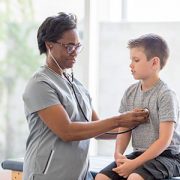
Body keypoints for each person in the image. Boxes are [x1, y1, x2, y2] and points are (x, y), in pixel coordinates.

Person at [22, 12, 148, 180]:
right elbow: (66, 131)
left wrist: (138, 125)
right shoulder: (40, 84)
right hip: (48, 175)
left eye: (77, 46)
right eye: (69, 47)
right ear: (49, 45)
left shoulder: (77, 86)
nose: (75, 52)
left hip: (79, 175)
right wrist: (120, 119)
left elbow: (97, 129)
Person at [95, 34, 180, 180]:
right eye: (131, 60)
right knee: (101, 177)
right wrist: (119, 155)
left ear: (154, 63)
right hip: (140, 154)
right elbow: (124, 128)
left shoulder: (166, 94)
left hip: (168, 156)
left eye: (136, 60)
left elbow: (164, 141)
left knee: (135, 177)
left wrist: (134, 164)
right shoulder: (130, 93)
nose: (131, 65)